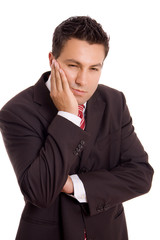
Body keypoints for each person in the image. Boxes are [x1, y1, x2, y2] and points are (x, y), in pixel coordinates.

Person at [0, 16, 154, 240]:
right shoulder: (17, 112)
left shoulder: (114, 102)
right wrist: (67, 116)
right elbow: (40, 192)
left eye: (94, 68)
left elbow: (141, 175)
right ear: (52, 60)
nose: (83, 80)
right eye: (73, 66)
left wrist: (74, 185)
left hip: (109, 232)